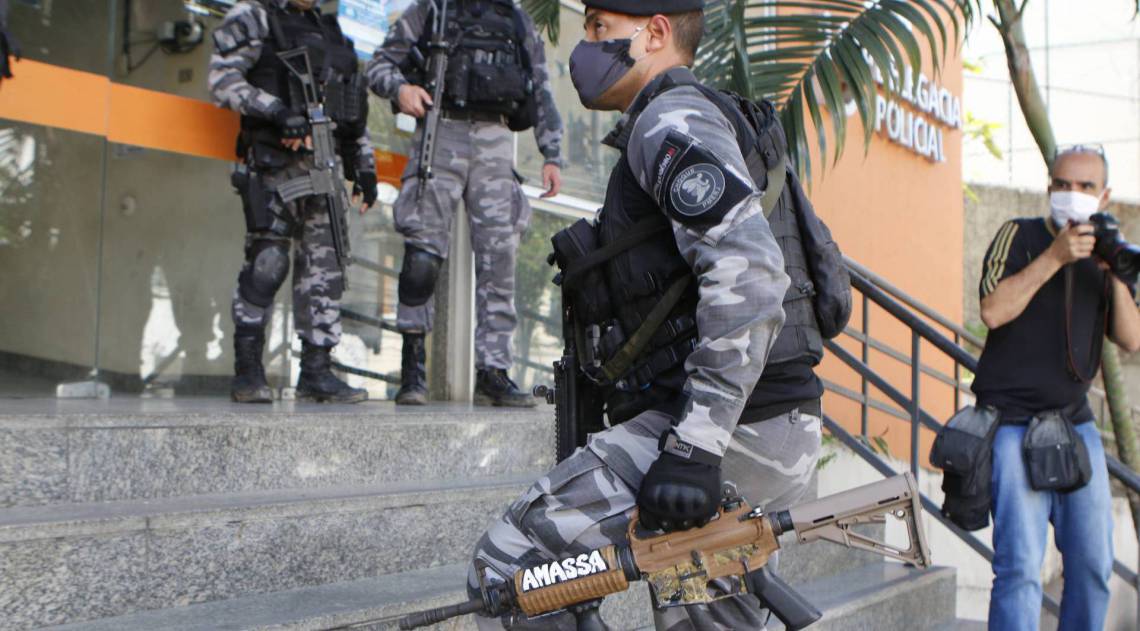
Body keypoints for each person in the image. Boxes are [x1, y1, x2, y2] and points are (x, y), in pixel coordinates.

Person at [463, 1, 813, 628]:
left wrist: (696, 449)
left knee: (513, 570)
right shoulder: (697, 120)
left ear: (655, 33)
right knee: (703, 616)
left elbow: (753, 274)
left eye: (600, 28)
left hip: (725, 428)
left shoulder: (670, 121)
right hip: (759, 418)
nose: (585, 46)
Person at [973, 145, 1140, 631]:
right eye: (1063, 185)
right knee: (1020, 568)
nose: (1073, 195)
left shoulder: (1106, 252)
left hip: (1075, 423)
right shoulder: (1019, 235)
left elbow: (1130, 338)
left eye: (1085, 187)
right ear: (1049, 188)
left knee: (1091, 567)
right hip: (1011, 423)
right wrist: (1055, 256)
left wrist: (1115, 275)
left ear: (1104, 195)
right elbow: (992, 311)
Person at [366, 0, 564, 407]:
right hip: (441, 131)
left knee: (500, 259)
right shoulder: (432, 10)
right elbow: (379, 65)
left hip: (495, 139)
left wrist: (552, 153)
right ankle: (412, 369)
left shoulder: (515, 19)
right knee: (421, 256)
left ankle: (493, 371)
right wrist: (401, 88)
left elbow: (541, 86)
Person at [209, 0, 378, 404]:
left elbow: (352, 112)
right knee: (267, 264)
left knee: (326, 269)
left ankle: (317, 371)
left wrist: (364, 167)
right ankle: (248, 371)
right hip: (274, 163)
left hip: (326, 165)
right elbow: (221, 79)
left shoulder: (334, 33)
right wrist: (278, 112)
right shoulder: (255, 16)